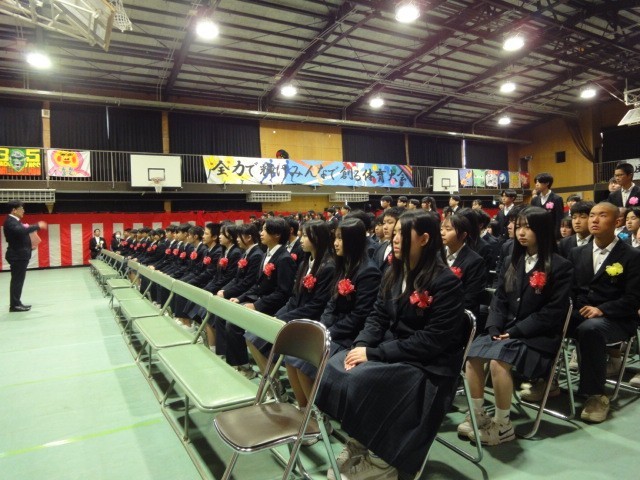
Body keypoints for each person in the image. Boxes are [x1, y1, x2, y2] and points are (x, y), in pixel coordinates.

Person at [316, 211, 467, 479]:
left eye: (401, 233)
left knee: (363, 380)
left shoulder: (445, 282)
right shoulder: (393, 272)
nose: (393, 238)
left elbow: (432, 340)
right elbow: (377, 316)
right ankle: (360, 440)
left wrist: (375, 353)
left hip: (429, 363)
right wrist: (361, 346)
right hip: (397, 350)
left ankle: (382, 462)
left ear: (424, 239)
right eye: (394, 232)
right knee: (335, 366)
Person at [459, 206, 573, 445]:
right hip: (505, 331)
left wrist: (515, 331)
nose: (521, 232)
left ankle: (503, 424)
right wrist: (493, 327)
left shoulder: (560, 266)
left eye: (528, 227)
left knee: (498, 363)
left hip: (537, 336)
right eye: (519, 226)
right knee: (473, 356)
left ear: (542, 231)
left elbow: (552, 313)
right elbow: (499, 298)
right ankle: (478, 414)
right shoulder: (512, 260)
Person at [568, 202, 640, 422]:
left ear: (617, 222)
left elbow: (633, 299)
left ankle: (596, 395)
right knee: (550, 319)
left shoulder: (631, 255)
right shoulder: (577, 252)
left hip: (616, 318)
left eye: (602, 215)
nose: (594, 220)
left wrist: (602, 309)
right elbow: (571, 289)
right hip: (582, 312)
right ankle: (544, 380)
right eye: (592, 215)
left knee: (591, 330)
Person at [3, 200, 47, 312]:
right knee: (17, 281)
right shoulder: (10, 221)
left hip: (20, 255)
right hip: (17, 256)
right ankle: (14, 305)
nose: (23, 211)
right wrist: (37, 226)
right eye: (21, 209)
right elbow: (22, 231)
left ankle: (17, 302)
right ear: (14, 210)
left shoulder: (14, 221)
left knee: (18, 281)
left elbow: (20, 235)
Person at [531, 172, 564, 238]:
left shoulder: (556, 199)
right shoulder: (534, 200)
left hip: (551, 233)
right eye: (536, 182)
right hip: (538, 233)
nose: (536, 184)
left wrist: (557, 235)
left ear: (547, 183)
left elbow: (559, 219)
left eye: (539, 182)